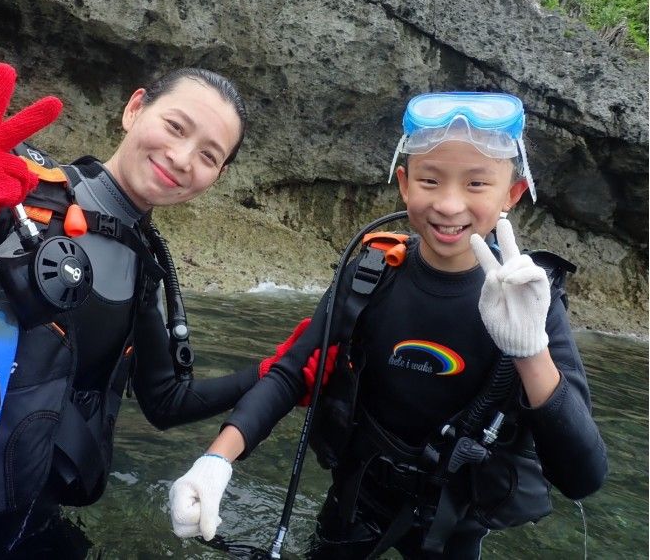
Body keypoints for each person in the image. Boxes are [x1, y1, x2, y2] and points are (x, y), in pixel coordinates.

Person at [0, 62, 326, 558]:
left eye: (209, 155)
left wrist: (275, 373)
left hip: (32, 524)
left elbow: (167, 400)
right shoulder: (17, 197)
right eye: (175, 127)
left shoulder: (145, 267)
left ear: (217, 175)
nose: (181, 157)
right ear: (134, 109)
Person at [168, 92, 608, 558]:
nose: (449, 205)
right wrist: (215, 460)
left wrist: (529, 350)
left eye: (477, 184)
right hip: (356, 497)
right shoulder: (371, 275)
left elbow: (583, 477)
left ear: (512, 194)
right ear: (404, 182)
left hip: (452, 520)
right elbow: (290, 373)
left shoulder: (528, 300)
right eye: (430, 180)